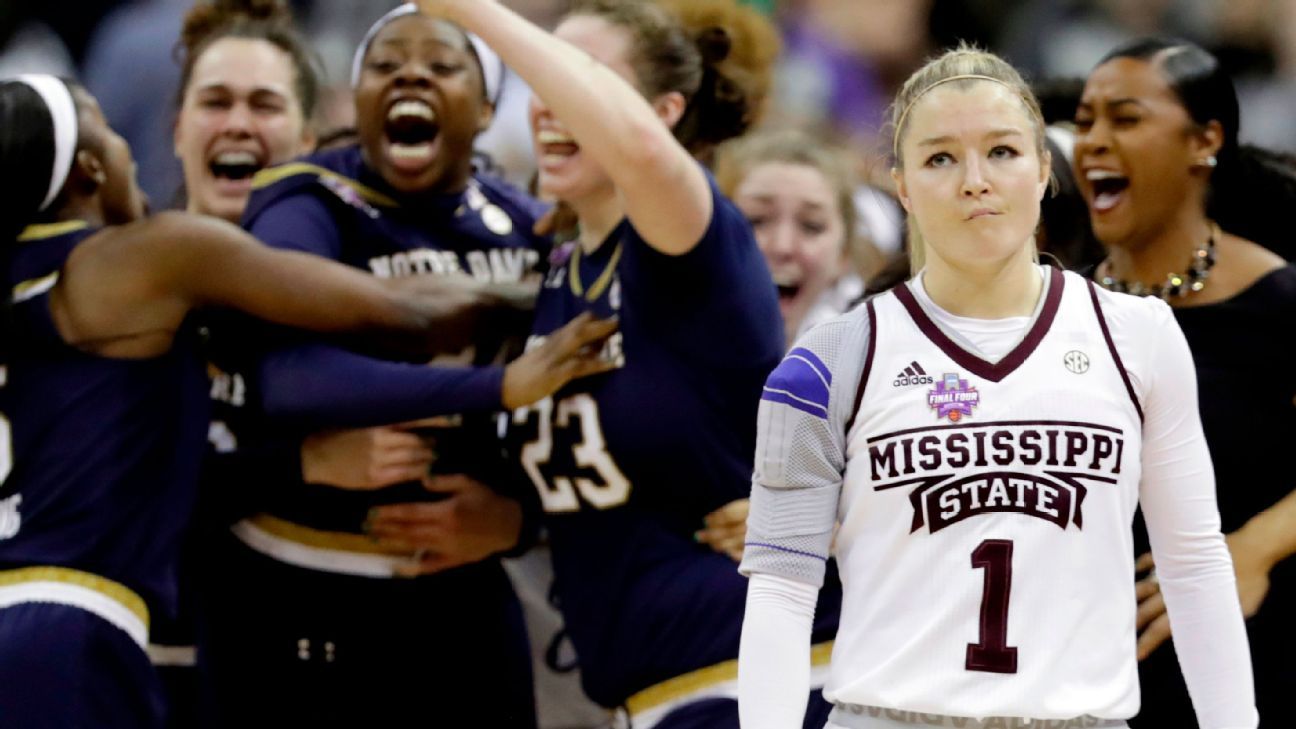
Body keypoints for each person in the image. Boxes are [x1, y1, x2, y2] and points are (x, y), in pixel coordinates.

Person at [0, 74, 611, 729]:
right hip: (65, 626)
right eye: (114, 134)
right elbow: (408, 312)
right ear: (90, 167)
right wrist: (576, 263)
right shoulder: (147, 257)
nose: (128, 148)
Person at [736, 45, 1259, 729]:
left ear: (1045, 169)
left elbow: (1191, 564)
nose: (975, 181)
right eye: (940, 158)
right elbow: (781, 585)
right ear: (900, 186)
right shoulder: (829, 358)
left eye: (1003, 151)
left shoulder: (1140, 335)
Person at [404, 1, 839, 727]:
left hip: (760, 679)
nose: (550, 102)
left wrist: (472, 12)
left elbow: (636, 150)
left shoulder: (690, 242)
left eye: (584, 77)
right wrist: (517, 519)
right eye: (543, 82)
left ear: (666, 111)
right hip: (659, 691)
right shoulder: (563, 271)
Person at [194, 5, 581, 727]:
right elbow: (295, 380)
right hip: (294, 592)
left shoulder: (528, 224)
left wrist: (521, 518)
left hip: (460, 602)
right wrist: (495, 385)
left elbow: (591, 409)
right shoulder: (305, 199)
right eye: (385, 63)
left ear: (488, 106)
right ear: (358, 97)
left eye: (441, 65)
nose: (410, 73)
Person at [1073, 37, 1296, 726]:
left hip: (1255, 667)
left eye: (1125, 118)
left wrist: (1255, 545)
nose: (1094, 142)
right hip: (1085, 677)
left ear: (1205, 142)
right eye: (1084, 122)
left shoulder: (1277, 300)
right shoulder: (1058, 312)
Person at [716, 128, 885, 346]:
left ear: (843, 255)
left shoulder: (873, 356)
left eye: (811, 226)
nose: (782, 246)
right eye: (756, 220)